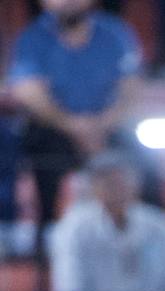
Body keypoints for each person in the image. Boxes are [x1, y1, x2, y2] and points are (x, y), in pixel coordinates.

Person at [8, 0, 145, 238]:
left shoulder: (115, 32)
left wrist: (101, 124)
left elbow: (132, 89)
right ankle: (44, 242)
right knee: (41, 154)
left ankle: (149, 236)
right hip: (55, 129)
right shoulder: (32, 37)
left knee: (145, 162)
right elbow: (28, 92)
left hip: (108, 127)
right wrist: (73, 125)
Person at [48, 148, 165, 291]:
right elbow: (70, 288)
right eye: (109, 183)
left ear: (136, 183)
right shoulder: (75, 228)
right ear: (93, 188)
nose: (117, 189)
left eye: (123, 181)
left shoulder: (158, 224)